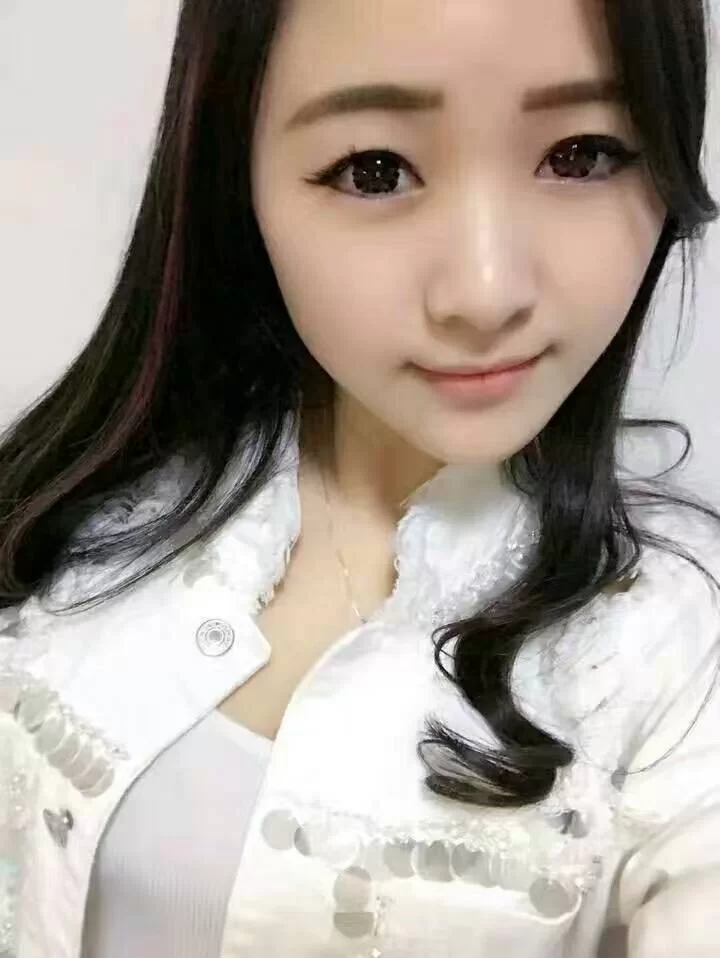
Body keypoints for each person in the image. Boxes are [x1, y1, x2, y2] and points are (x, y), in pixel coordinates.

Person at [1, 0, 720, 955]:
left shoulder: (682, 649)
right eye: (374, 169)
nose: (485, 293)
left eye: (582, 155)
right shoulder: (78, 509)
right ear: (237, 178)